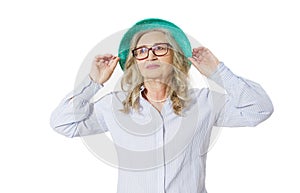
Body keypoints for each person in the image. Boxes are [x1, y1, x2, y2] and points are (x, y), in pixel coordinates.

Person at [50, 18, 273, 193]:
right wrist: (93, 82)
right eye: (142, 51)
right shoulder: (114, 106)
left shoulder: (203, 102)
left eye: (160, 48)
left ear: (174, 58)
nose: (150, 56)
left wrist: (218, 72)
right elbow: (63, 123)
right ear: (135, 62)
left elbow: (259, 109)